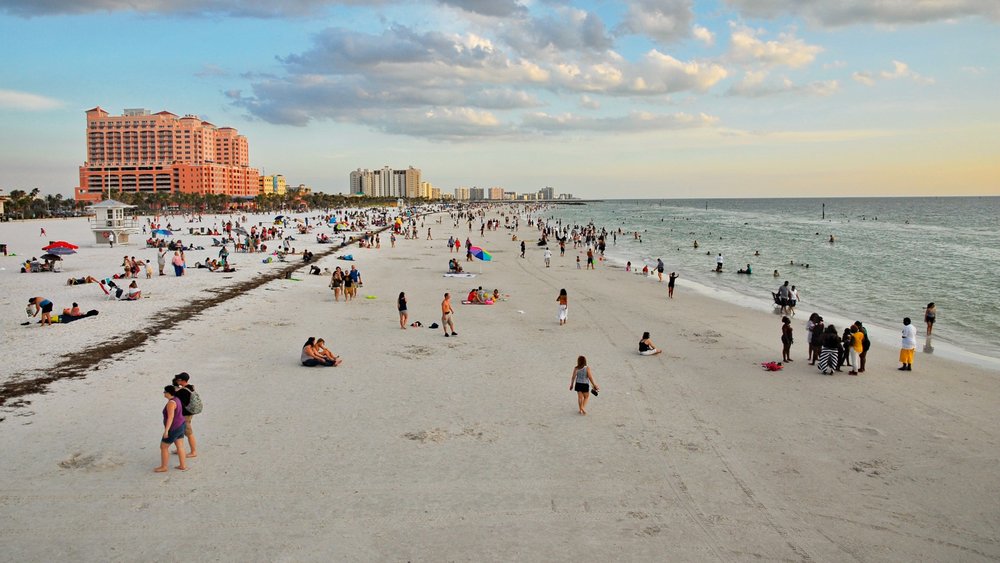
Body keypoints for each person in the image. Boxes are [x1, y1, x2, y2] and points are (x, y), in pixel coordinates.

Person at [155, 385, 188, 473]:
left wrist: (166, 431)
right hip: (181, 425)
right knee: (180, 446)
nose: (164, 393)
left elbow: (170, 417)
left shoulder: (171, 403)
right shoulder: (177, 399)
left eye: (165, 392)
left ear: (169, 393)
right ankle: (183, 465)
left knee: (163, 447)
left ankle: (164, 467)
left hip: (174, 428)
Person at [171, 372, 199, 458]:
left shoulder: (182, 391)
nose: (177, 381)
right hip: (188, 413)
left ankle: (194, 451)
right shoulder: (191, 387)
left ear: (183, 381)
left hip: (185, 415)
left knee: (188, 433)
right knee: (181, 432)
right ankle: (180, 448)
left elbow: (172, 395)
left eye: (179, 380)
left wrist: (175, 385)